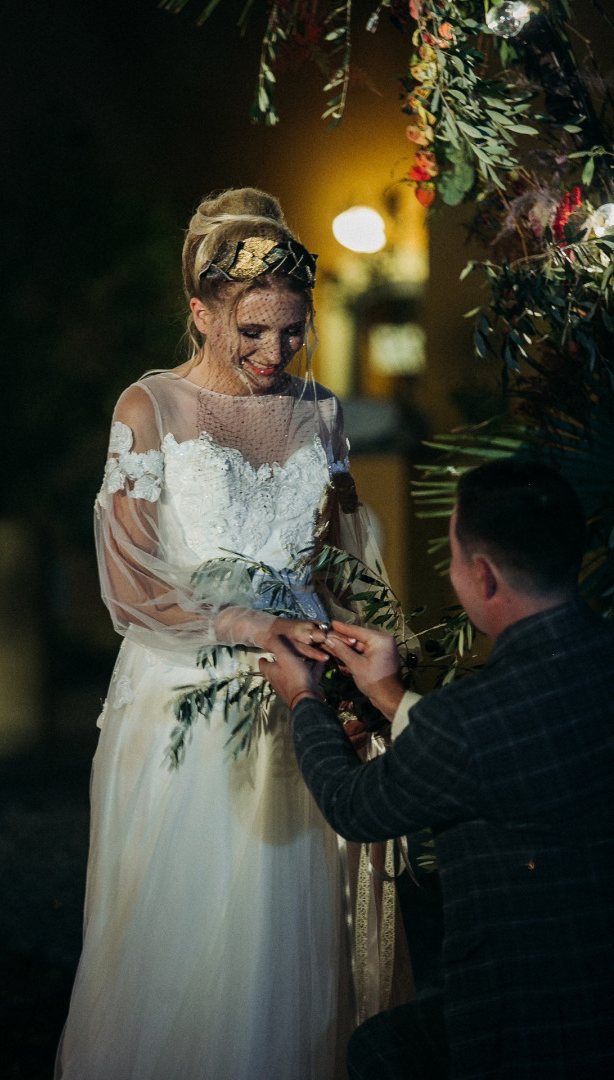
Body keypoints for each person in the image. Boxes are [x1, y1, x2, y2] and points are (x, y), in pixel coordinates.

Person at [55, 188, 406, 1080]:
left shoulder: (321, 413)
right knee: (186, 938)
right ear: (201, 313)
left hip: (297, 707)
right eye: (251, 330)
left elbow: (340, 558)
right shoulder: (150, 408)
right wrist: (236, 620)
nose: (274, 352)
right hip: (183, 700)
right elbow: (129, 579)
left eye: (294, 331)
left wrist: (350, 649)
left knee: (286, 932)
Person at [260, 459, 614, 1079]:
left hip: (529, 1011)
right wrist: (389, 692)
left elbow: (353, 805)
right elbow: (517, 750)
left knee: (381, 1052)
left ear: (482, 575)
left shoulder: (469, 718)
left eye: (452, 557)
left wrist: (304, 699)